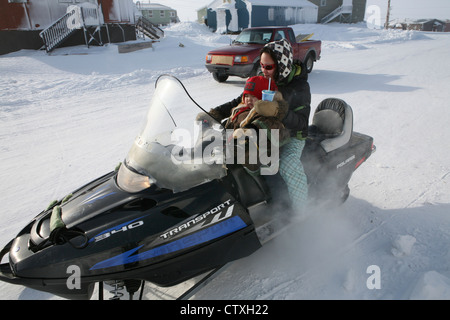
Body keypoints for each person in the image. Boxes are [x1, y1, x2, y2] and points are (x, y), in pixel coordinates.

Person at [206, 38, 311, 212]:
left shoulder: (299, 87)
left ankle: (301, 212)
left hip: (292, 137)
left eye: (269, 67)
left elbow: (301, 124)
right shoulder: (263, 79)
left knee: (287, 164)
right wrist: (213, 114)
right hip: (263, 132)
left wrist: (278, 111)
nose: (264, 70)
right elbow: (238, 100)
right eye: (262, 65)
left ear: (282, 65)